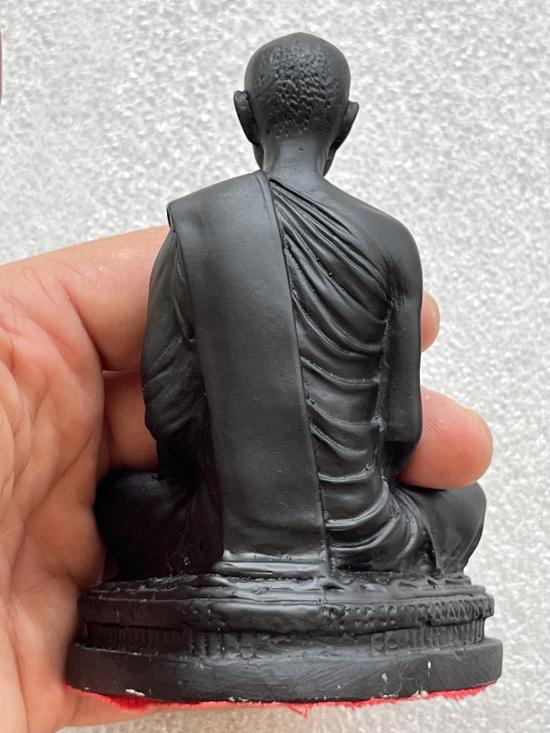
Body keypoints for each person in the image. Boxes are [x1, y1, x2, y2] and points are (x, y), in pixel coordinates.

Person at [0, 41, 493, 732]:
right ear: (346, 122)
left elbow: (166, 406)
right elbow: (404, 424)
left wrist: (217, 475)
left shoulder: (197, 229)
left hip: (215, 539)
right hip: (369, 539)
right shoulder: (390, 241)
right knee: (465, 502)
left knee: (116, 500)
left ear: (244, 115)